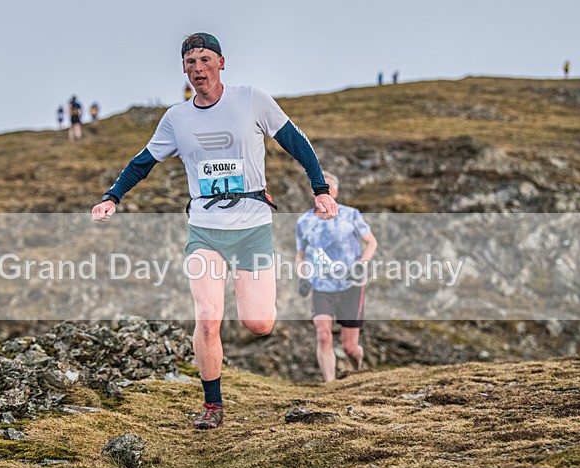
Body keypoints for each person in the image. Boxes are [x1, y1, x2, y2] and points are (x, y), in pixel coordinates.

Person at [92, 32, 337, 430]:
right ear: (184, 70)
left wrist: (321, 189)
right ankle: (212, 405)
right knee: (207, 317)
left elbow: (296, 142)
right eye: (190, 62)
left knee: (259, 324)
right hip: (205, 230)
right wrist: (111, 197)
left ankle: (271, 285)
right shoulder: (177, 119)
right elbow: (142, 162)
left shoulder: (251, 100)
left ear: (222, 62)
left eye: (205, 59)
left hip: (253, 228)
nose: (198, 68)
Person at [296, 172, 377, 382]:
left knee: (350, 347)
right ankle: (330, 384)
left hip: (350, 285)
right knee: (323, 334)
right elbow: (300, 255)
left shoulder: (351, 215)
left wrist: (361, 266)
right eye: (319, 188)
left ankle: (357, 368)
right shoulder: (304, 222)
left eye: (328, 188)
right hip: (321, 286)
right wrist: (303, 277)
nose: (323, 192)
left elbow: (371, 242)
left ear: (336, 191)